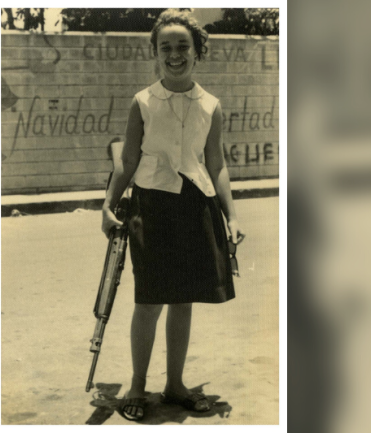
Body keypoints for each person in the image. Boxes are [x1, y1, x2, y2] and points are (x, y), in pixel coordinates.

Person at [101, 9, 244, 421]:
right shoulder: (142, 102)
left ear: (198, 52)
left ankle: (175, 384)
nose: (175, 54)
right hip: (151, 206)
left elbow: (216, 164)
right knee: (149, 300)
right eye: (166, 47)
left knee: (183, 300)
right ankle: (137, 384)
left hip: (195, 208)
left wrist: (231, 216)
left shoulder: (211, 105)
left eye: (184, 46)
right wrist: (107, 206)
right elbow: (127, 160)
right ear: (155, 53)